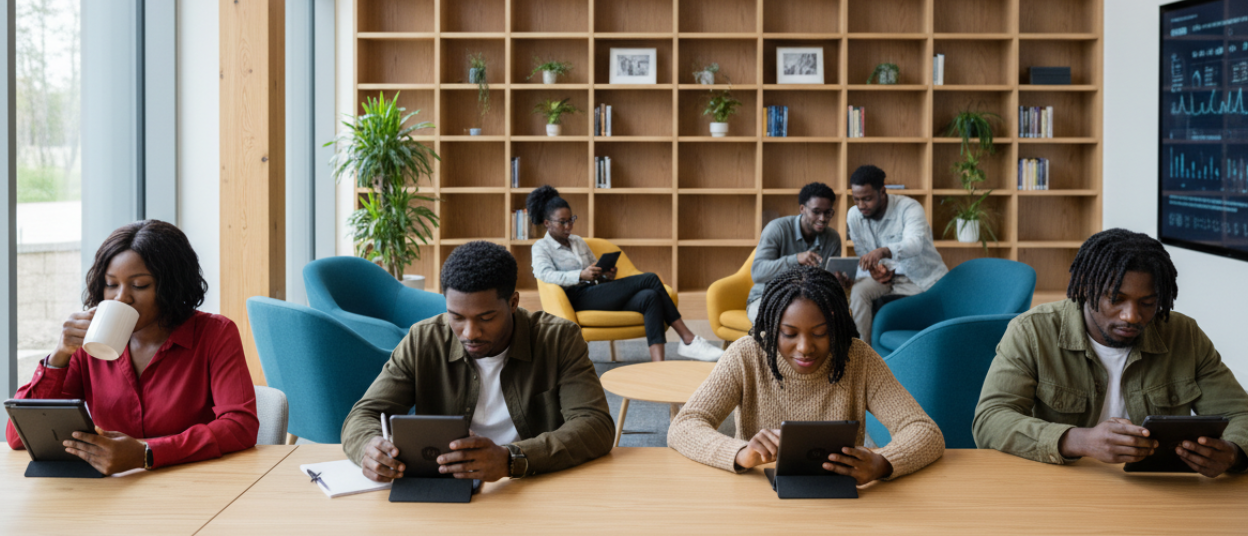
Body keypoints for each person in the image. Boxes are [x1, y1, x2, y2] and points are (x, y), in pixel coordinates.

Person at [973, 229, 1248, 477]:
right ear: (1084, 289)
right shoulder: (1032, 331)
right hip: (1058, 484)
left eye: (1148, 303)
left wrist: (1233, 452)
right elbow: (991, 419)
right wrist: (1079, 440)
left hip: (1159, 491)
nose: (1131, 316)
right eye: (1116, 300)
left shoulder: (1183, 334)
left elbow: (1240, 413)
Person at [343, 241, 615, 483]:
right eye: (457, 317)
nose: (470, 333)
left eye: (486, 318)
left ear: (513, 303)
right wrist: (369, 447)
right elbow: (363, 415)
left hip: (533, 482)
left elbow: (595, 425)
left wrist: (511, 459)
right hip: (445, 484)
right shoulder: (422, 341)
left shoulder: (559, 340)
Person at [5, 220, 258, 475]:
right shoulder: (90, 342)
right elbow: (17, 437)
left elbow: (240, 425)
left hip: (193, 481)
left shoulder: (215, 334)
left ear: (172, 286)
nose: (121, 297)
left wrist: (147, 453)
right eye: (111, 284)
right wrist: (59, 357)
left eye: (139, 285)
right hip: (113, 491)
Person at [668, 266, 944, 484]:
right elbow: (684, 425)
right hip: (759, 497)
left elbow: (925, 432)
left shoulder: (857, 357)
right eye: (789, 334)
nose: (804, 348)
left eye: (821, 333)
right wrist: (740, 453)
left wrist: (883, 462)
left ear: (838, 325)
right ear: (771, 326)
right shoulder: (746, 354)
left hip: (842, 502)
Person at [527, 185, 722, 362]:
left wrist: (604, 274)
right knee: (651, 278)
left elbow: (592, 269)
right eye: (562, 222)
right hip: (576, 298)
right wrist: (580, 275)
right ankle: (688, 339)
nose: (569, 226)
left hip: (597, 292)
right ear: (547, 223)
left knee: (650, 297)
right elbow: (545, 275)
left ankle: (658, 367)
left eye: (571, 220)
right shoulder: (541, 248)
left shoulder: (577, 241)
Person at [845, 164, 948, 341]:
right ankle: (860, 353)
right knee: (859, 292)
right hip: (888, 278)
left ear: (882, 191)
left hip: (920, 279)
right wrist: (874, 270)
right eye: (856, 199)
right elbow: (863, 252)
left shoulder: (909, 208)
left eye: (867, 199)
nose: (861, 205)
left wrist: (883, 252)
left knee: (903, 310)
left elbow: (914, 244)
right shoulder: (854, 215)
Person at [747, 182, 847, 323]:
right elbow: (758, 273)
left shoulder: (833, 238)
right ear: (802, 209)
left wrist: (837, 281)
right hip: (767, 297)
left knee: (836, 322)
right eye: (816, 212)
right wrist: (796, 260)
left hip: (809, 301)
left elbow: (825, 282)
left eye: (828, 212)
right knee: (782, 325)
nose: (823, 218)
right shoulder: (777, 229)